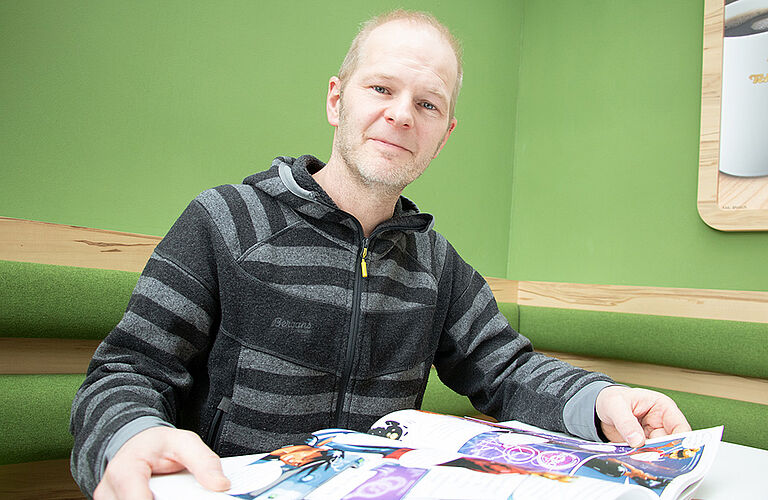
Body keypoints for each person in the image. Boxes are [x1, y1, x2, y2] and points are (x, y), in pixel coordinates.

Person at [69, 10, 690, 500]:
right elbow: (125, 372)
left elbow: (509, 370)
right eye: (381, 88)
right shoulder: (225, 221)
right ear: (337, 100)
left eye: (427, 104)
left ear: (443, 135)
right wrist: (132, 434)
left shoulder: (437, 266)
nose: (400, 114)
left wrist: (602, 400)